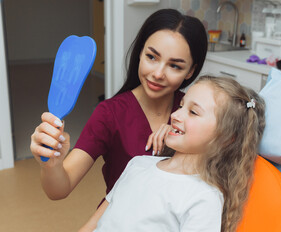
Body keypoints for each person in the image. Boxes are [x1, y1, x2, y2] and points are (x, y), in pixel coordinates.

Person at [29, 9, 208, 201]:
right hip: (120, 225)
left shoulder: (197, 114)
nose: (158, 73)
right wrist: (51, 165)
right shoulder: (109, 114)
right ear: (140, 53)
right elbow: (58, 190)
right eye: (152, 57)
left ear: (190, 71)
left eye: (175, 66)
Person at [72, 76, 266, 232]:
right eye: (181, 106)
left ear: (226, 138)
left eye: (193, 112)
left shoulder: (203, 198)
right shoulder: (138, 164)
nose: (176, 114)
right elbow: (91, 226)